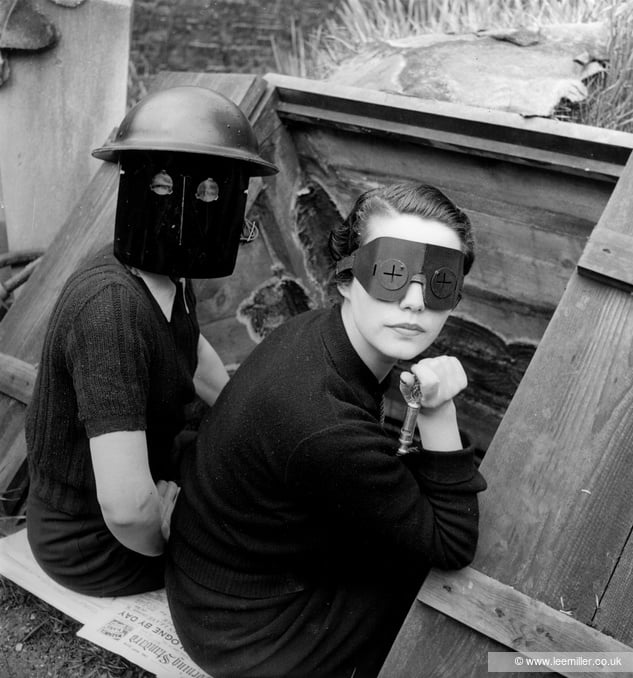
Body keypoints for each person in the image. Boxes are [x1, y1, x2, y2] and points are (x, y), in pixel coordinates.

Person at [166, 181, 488, 677]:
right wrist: (439, 408)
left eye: (440, 281)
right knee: (451, 603)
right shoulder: (323, 422)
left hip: (220, 582)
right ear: (345, 278)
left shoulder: (320, 333)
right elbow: (453, 544)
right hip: (253, 632)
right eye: (391, 274)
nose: (415, 302)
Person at [24, 85, 278, 597]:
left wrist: (244, 421)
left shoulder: (167, 268)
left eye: (215, 193)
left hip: (148, 471)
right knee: (256, 546)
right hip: (91, 538)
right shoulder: (110, 308)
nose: (202, 208)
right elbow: (124, 506)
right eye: (168, 186)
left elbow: (190, 347)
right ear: (138, 188)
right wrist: (171, 533)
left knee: (253, 482)